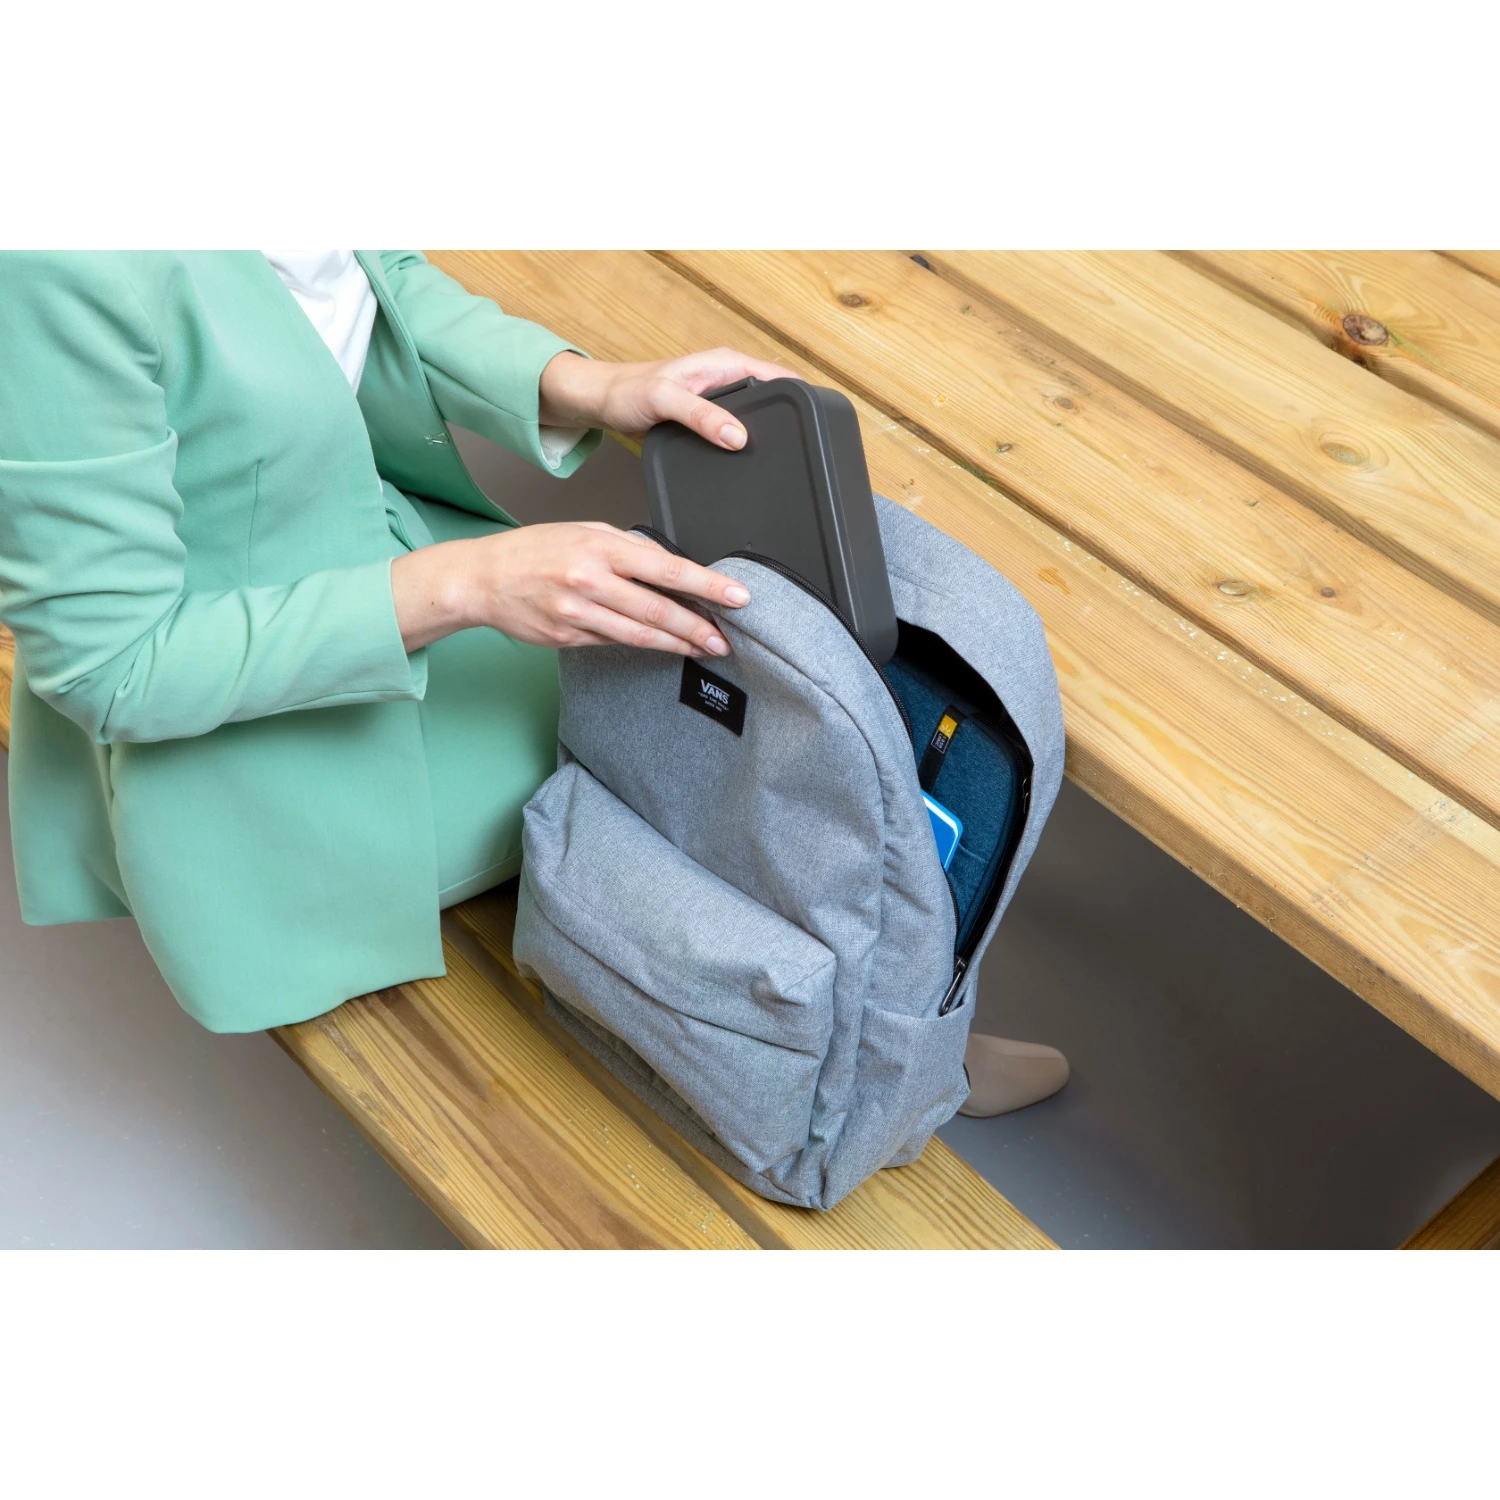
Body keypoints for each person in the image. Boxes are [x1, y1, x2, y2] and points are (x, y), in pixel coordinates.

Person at [0, 250, 1066, 1115]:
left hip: (366, 569)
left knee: (709, 705)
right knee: (702, 745)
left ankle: (871, 1027)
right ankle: (876, 1060)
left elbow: (369, 285)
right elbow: (115, 667)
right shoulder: (52, 266)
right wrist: (467, 584)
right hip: (263, 728)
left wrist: (591, 385)